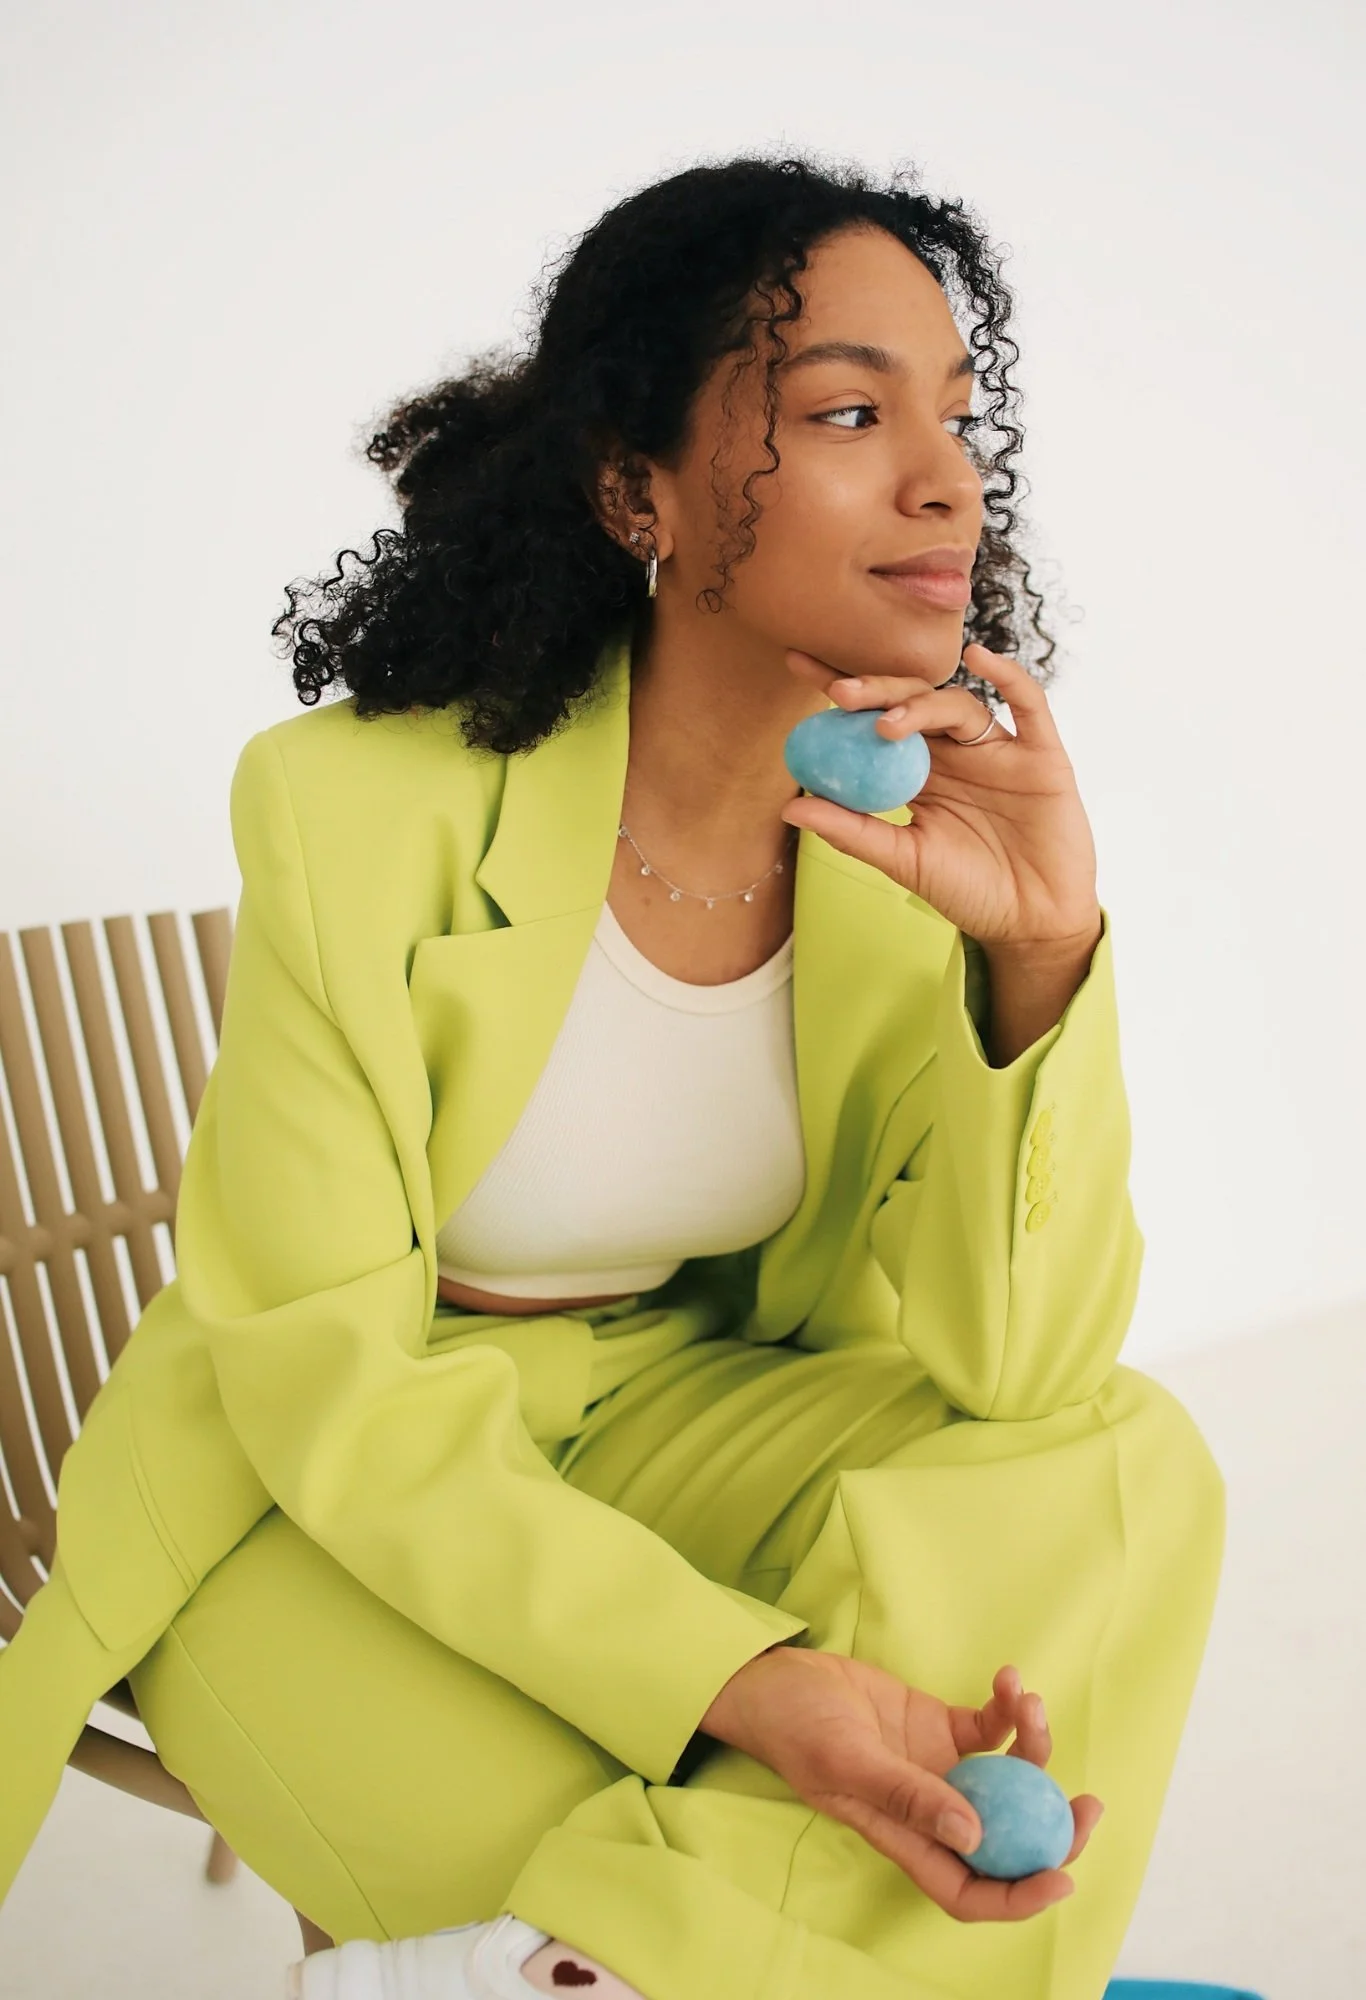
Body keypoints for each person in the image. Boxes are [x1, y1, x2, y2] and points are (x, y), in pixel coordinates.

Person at [0, 153, 1225, 2000]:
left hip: (676, 1421)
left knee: (1131, 1454)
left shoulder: (898, 861)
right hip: (322, 1488)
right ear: (634, 485)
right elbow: (320, 1375)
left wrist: (1037, 954)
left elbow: (1019, 1376)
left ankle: (578, 1968)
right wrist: (741, 1678)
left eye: (956, 420)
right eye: (842, 412)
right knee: (742, 1850)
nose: (943, 478)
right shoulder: (350, 810)